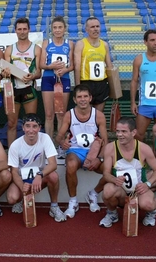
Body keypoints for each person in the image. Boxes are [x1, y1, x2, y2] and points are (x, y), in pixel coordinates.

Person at [55, 84, 108, 219]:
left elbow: (106, 142)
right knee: (71, 165)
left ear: (90, 98)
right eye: (79, 97)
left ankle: (93, 193)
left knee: (110, 170)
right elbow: (59, 137)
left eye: (85, 96)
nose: (82, 99)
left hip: (93, 151)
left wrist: (99, 158)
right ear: (74, 100)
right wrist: (63, 143)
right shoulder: (69, 115)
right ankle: (73, 201)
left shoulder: (99, 116)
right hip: (75, 151)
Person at [100, 117, 156, 228]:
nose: (119, 134)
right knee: (108, 191)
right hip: (121, 190)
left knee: (148, 204)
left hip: (139, 190)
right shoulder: (110, 148)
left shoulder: (143, 148)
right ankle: (112, 213)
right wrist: (114, 179)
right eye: (118, 131)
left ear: (133, 132)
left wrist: (147, 184)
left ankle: (152, 212)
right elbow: (106, 173)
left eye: (123, 131)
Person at [6, 113, 66, 222]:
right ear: (23, 127)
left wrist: (40, 175)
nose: (31, 130)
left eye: (34, 126)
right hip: (22, 178)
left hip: (39, 177)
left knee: (53, 176)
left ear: (39, 128)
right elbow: (14, 172)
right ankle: (22, 200)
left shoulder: (45, 138)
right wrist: (22, 186)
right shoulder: (15, 145)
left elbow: (53, 164)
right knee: (11, 198)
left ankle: (54, 206)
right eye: (28, 126)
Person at [1, 17, 42, 147]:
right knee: (12, 123)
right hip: (12, 90)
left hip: (29, 89)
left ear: (29, 30)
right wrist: (5, 73)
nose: (22, 31)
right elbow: (4, 71)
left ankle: (32, 150)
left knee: (31, 123)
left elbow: (39, 73)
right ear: (16, 31)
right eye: (19, 29)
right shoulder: (9, 49)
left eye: (25, 29)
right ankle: (13, 152)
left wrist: (32, 76)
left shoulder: (36, 49)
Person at [39, 16, 74, 158]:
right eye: (55, 27)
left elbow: (72, 65)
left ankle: (60, 146)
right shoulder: (46, 43)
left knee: (61, 114)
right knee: (49, 114)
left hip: (63, 80)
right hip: (48, 79)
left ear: (64, 29)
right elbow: (41, 64)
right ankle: (49, 147)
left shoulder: (70, 44)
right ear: (51, 29)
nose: (57, 30)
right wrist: (50, 66)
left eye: (60, 27)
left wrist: (65, 70)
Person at [74, 16, 114, 112]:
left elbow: (109, 66)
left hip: (102, 83)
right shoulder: (81, 44)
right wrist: (77, 87)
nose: (95, 29)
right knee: (86, 114)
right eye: (92, 27)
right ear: (86, 29)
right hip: (87, 83)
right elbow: (77, 67)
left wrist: (114, 86)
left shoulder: (104, 44)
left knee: (98, 115)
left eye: (97, 26)